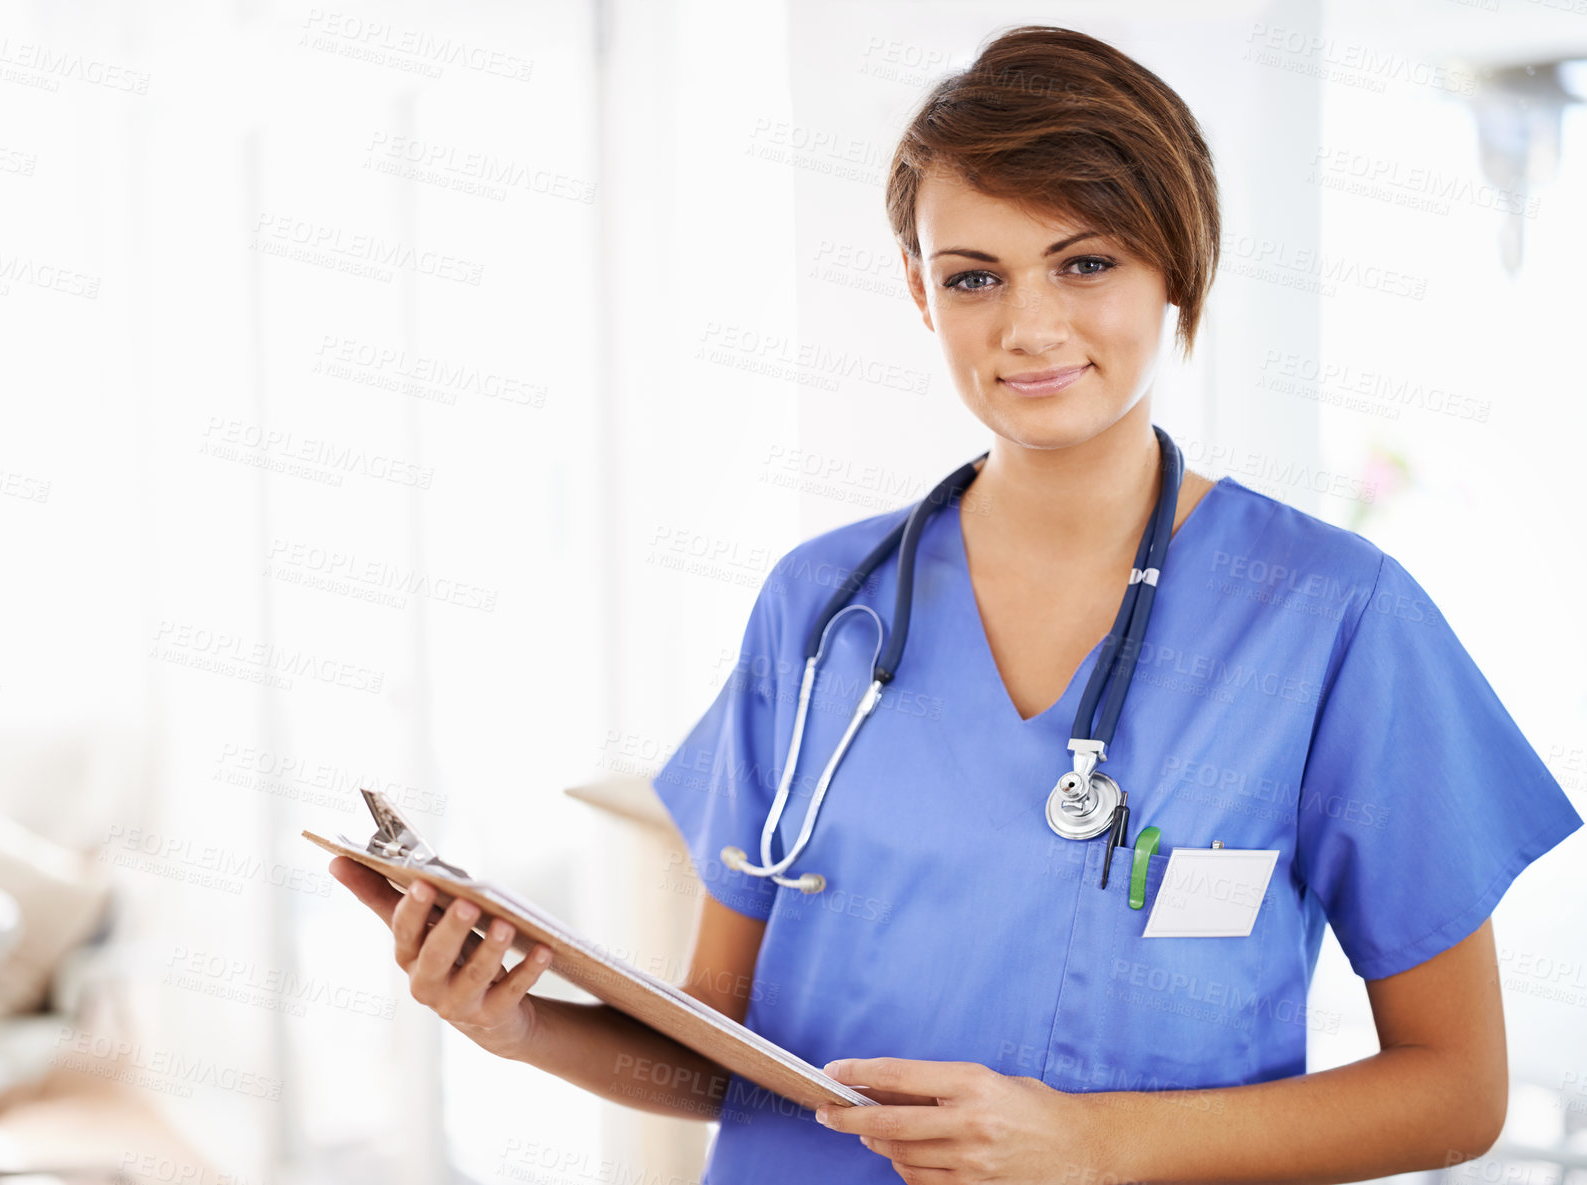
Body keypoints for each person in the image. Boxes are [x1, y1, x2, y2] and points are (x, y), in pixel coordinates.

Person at [329, 23, 1584, 1184]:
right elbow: (720, 1051)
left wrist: (1086, 1142)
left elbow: (1457, 1092)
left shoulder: (1331, 617)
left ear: (1175, 272)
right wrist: (517, 1025)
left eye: (1084, 262)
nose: (1031, 325)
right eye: (975, 277)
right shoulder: (822, 609)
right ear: (923, 294)